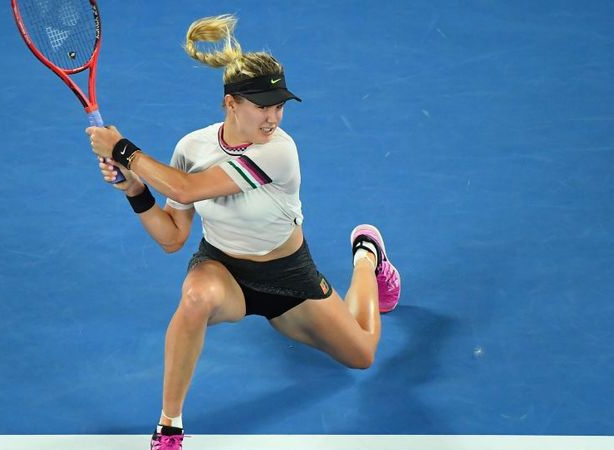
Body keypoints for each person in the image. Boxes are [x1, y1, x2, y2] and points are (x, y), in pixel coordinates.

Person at [85, 14, 401, 450]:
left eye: (279, 105)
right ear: (231, 103)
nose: (273, 118)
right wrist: (134, 190)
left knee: (362, 355)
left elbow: (186, 187)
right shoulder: (191, 148)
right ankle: (169, 427)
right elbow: (173, 236)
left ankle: (366, 255)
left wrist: (122, 150)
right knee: (194, 298)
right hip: (223, 270)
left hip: (289, 277)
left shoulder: (280, 151)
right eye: (262, 106)